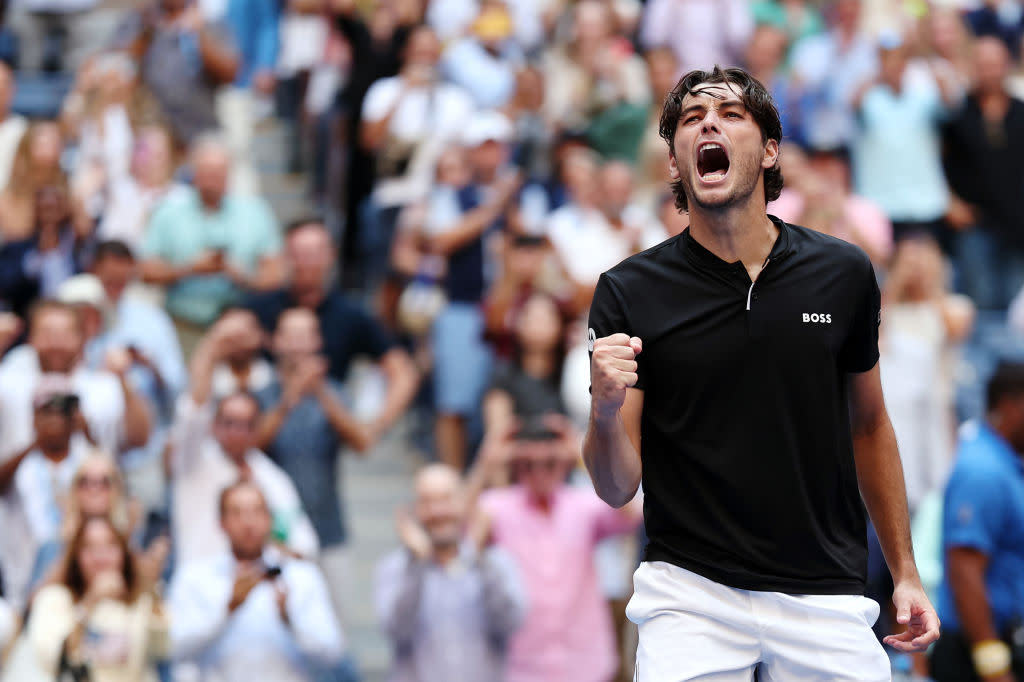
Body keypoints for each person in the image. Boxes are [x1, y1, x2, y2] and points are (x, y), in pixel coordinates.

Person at [585, 66, 940, 679]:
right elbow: (617, 487)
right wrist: (604, 410)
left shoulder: (845, 273)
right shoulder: (626, 291)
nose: (708, 125)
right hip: (689, 595)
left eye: (729, 115)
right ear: (675, 164)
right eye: (691, 120)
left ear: (770, 150)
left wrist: (905, 570)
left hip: (824, 588)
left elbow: (870, 426)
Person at [474, 416, 642, 682]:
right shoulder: (496, 506)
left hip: (586, 662)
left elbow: (630, 516)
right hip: (521, 664)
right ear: (515, 465)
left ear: (562, 463)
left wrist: (580, 454)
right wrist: (486, 462)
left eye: (549, 463)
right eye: (528, 464)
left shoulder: (583, 504)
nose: (539, 472)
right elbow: (463, 541)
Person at [244, 218, 418, 438]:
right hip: (261, 432)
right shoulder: (257, 309)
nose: (306, 262)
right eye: (299, 253)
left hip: (324, 431)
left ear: (330, 255)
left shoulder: (350, 315)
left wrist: (377, 426)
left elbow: (403, 371)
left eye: (314, 253)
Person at [171, 312, 319, 566]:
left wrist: (267, 551)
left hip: (257, 594)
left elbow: (304, 544)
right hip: (200, 592)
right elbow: (192, 413)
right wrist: (215, 344)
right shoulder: (193, 460)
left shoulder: (271, 477)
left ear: (256, 430)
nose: (237, 432)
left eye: (246, 425)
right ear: (214, 426)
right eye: (229, 423)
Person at [254, 306, 371, 620]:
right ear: (275, 341)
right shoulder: (261, 396)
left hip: (329, 531)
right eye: (290, 335)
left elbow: (361, 442)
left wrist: (318, 391)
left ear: (318, 341)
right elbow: (252, 446)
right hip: (275, 536)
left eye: (305, 335)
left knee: (334, 629)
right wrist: (290, 396)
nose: (297, 345)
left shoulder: (335, 393)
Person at [168, 481, 344, 682]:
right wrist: (226, 610)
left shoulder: (301, 576)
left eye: (256, 511)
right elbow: (173, 650)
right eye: (237, 513)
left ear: (270, 519)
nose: (248, 523)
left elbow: (332, 654)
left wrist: (290, 620)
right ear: (221, 523)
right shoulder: (195, 578)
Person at [374, 463, 526, 682]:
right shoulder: (394, 568)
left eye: (446, 499)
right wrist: (419, 564)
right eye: (427, 502)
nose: (437, 512)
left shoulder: (496, 563)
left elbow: (510, 623)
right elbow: (397, 630)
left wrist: (478, 556)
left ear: (464, 503)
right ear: (413, 509)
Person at [139, 134, 284, 345]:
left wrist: (240, 275)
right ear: (193, 173)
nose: (212, 181)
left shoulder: (255, 212)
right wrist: (190, 269)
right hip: (183, 324)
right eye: (207, 173)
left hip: (240, 325)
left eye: (219, 173)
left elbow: (275, 275)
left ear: (229, 174)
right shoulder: (168, 211)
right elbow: (145, 270)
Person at [930, 361, 1024, 681]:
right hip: (974, 654)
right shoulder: (983, 471)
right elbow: (965, 570)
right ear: (1011, 405)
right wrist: (993, 666)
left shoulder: (1005, 462)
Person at [25, 516, 169, 682]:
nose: (101, 555)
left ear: (124, 552)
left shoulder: (140, 601)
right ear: (75, 554)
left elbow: (163, 648)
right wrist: (90, 602)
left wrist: (150, 586)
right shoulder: (54, 598)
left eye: (110, 545)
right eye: (90, 547)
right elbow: (55, 660)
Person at [942, 36, 1024, 311]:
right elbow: (937, 162)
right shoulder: (957, 114)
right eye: (982, 64)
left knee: (1014, 306)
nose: (988, 71)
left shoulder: (1021, 112)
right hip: (975, 227)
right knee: (980, 303)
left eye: (994, 64)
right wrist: (951, 201)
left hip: (1017, 227)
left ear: (1006, 66)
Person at [117, 0, 240, 145]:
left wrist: (199, 34)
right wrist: (146, 31)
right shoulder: (141, 19)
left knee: (212, 159)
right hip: (154, 131)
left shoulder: (209, 21)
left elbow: (230, 73)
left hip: (200, 129)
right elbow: (117, 65)